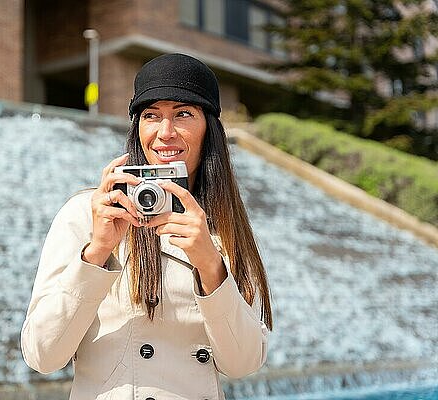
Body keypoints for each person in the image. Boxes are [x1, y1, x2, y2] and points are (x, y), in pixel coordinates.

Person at [21, 53, 273, 400]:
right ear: (137, 128)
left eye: (183, 114)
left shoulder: (225, 227)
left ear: (209, 129)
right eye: (151, 116)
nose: (165, 133)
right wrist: (96, 252)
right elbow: (42, 356)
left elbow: (242, 364)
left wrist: (211, 266)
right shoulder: (86, 213)